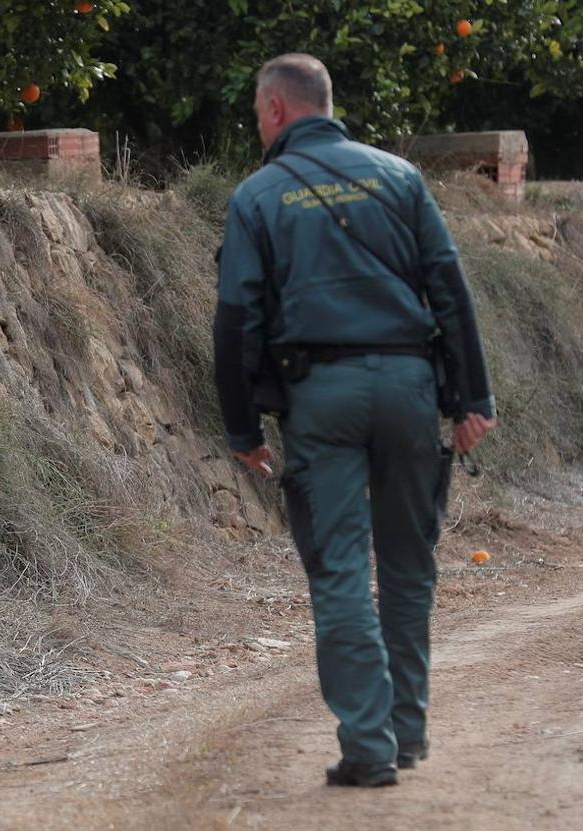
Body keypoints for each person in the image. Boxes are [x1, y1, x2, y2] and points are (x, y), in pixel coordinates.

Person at [212, 53, 498, 787]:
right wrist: (472, 401)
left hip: (322, 397)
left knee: (340, 569)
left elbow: (237, 320)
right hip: (409, 385)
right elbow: (449, 286)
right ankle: (405, 734)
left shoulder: (257, 196)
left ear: (275, 108)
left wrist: (242, 429)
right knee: (408, 567)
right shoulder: (400, 177)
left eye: (255, 109)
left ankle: (368, 749)